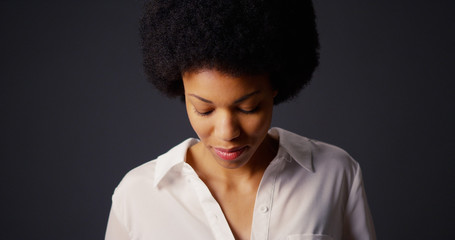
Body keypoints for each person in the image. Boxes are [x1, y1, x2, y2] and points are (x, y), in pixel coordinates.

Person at [105, 0, 376, 239]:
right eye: (204, 109)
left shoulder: (335, 174)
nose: (227, 132)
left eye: (248, 107)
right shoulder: (137, 196)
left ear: (275, 88)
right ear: (181, 90)